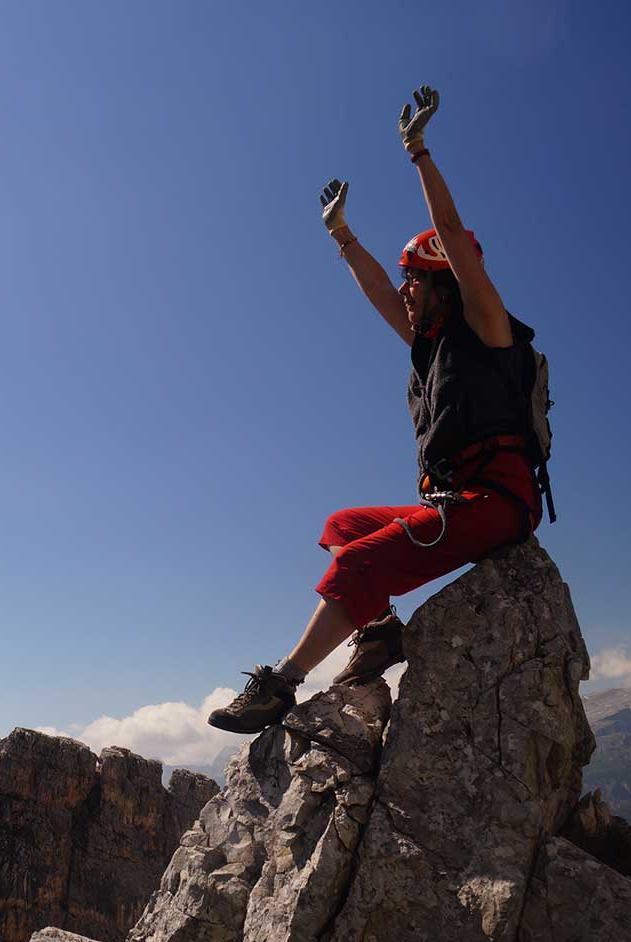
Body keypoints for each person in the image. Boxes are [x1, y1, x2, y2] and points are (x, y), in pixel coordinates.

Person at [207, 85, 546, 735]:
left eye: (414, 280)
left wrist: (418, 152)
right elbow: (379, 299)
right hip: (456, 499)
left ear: (444, 280)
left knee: (357, 564)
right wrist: (341, 236)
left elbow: (452, 235)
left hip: (496, 503)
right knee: (345, 524)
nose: (405, 293)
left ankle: (282, 684)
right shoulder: (433, 345)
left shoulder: (488, 330)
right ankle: (381, 631)